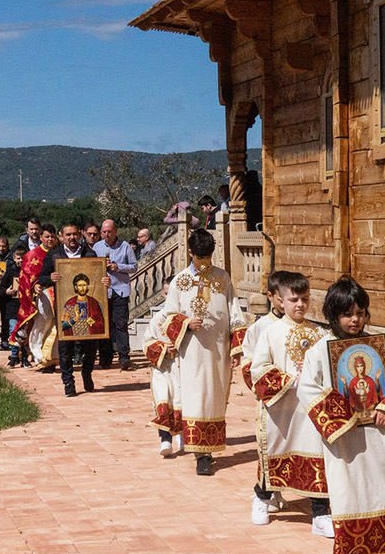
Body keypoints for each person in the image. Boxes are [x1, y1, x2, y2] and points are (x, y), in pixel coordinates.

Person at [296, 275, 385, 554]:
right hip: (344, 439)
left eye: (360, 313)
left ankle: (374, 552)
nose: (355, 320)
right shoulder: (321, 350)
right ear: (333, 315)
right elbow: (308, 390)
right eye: (348, 314)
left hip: (376, 433)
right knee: (352, 493)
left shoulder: (375, 346)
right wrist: (344, 415)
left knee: (381, 489)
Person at [142, 229, 245, 475]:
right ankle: (202, 455)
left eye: (208, 256)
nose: (205, 261)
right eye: (200, 257)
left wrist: (237, 348)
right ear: (190, 253)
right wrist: (186, 324)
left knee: (215, 400)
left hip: (218, 351)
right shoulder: (179, 282)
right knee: (196, 399)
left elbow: (235, 315)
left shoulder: (222, 278)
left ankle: (208, 449)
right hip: (191, 353)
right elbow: (167, 319)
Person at [248, 271, 331, 536]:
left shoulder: (320, 333)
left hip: (310, 411)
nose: (300, 305)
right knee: (275, 452)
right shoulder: (271, 332)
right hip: (281, 411)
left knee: (318, 457)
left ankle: (320, 513)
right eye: (294, 299)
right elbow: (258, 369)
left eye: (305, 299)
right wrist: (291, 380)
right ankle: (262, 498)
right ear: (281, 301)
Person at [39, 222, 103, 396]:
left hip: (87, 306)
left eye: (74, 234)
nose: (72, 238)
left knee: (90, 344)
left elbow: (98, 276)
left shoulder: (89, 254)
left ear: (80, 234)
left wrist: (105, 281)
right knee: (65, 346)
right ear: (61, 236)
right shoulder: (54, 255)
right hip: (64, 306)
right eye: (68, 235)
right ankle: (68, 382)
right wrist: (50, 278)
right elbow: (42, 278)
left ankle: (87, 372)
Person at [241, 271, 284, 514]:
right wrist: (264, 386)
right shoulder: (259, 328)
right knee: (269, 446)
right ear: (271, 296)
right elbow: (249, 363)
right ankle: (266, 493)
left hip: (298, 402)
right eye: (282, 298)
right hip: (271, 398)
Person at [12, 224, 59, 371]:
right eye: (47, 237)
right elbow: (25, 278)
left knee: (57, 327)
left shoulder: (61, 252)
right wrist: (34, 287)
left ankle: (52, 357)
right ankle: (39, 356)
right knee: (41, 326)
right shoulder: (32, 256)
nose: (50, 239)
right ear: (41, 238)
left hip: (61, 295)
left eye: (52, 237)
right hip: (43, 296)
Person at [93, 219, 137, 370]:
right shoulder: (97, 247)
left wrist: (118, 267)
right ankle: (105, 358)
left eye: (109, 231)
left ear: (116, 231)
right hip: (102, 291)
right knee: (104, 326)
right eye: (104, 232)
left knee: (121, 325)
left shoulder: (125, 247)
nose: (107, 235)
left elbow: (134, 267)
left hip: (120, 290)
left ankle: (124, 357)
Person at [0, 242, 27, 367]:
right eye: (18, 258)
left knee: (25, 332)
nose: (20, 261)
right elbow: (1, 287)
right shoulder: (10, 271)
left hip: (26, 306)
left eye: (23, 258)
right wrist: (7, 291)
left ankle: (25, 357)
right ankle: (14, 355)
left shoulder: (29, 272)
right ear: (14, 258)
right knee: (13, 330)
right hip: (12, 306)